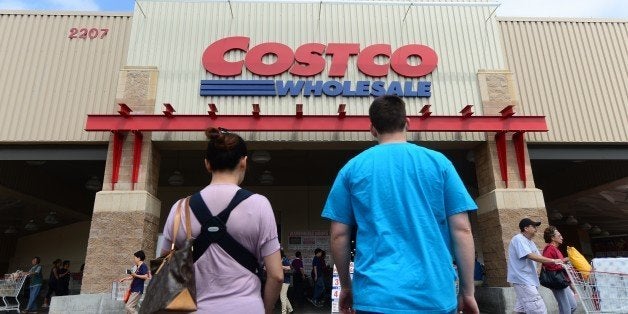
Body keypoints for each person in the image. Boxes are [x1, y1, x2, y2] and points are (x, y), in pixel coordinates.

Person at [322, 95, 480, 313]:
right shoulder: (439, 163)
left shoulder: (352, 169)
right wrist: (467, 291)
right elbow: (462, 230)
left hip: (375, 295)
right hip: (434, 295)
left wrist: (347, 287)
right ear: (407, 123)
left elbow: (338, 235)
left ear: (373, 129)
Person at [162, 128, 283, 314]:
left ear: (207, 164)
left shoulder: (179, 208)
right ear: (244, 162)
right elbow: (276, 276)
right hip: (247, 308)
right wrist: (264, 309)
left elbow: (165, 268)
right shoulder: (260, 205)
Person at [507, 218, 563, 314]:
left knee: (521, 310)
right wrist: (553, 260)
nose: (536, 228)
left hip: (529, 279)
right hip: (523, 280)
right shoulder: (518, 239)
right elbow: (530, 255)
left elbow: (540, 257)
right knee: (539, 310)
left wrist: (559, 260)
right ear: (526, 228)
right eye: (533, 226)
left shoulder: (530, 242)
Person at [542, 226, 577, 314]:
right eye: (559, 235)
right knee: (566, 309)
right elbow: (548, 264)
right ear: (553, 238)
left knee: (573, 306)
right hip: (556, 280)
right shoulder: (549, 249)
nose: (562, 237)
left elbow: (558, 263)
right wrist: (564, 264)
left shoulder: (555, 249)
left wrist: (565, 262)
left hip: (562, 280)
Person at [280, 249, 294, 314]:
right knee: (284, 296)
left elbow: (290, 268)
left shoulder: (285, 260)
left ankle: (284, 312)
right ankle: (290, 310)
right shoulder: (278, 260)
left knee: (282, 297)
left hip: (286, 281)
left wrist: (281, 266)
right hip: (281, 281)